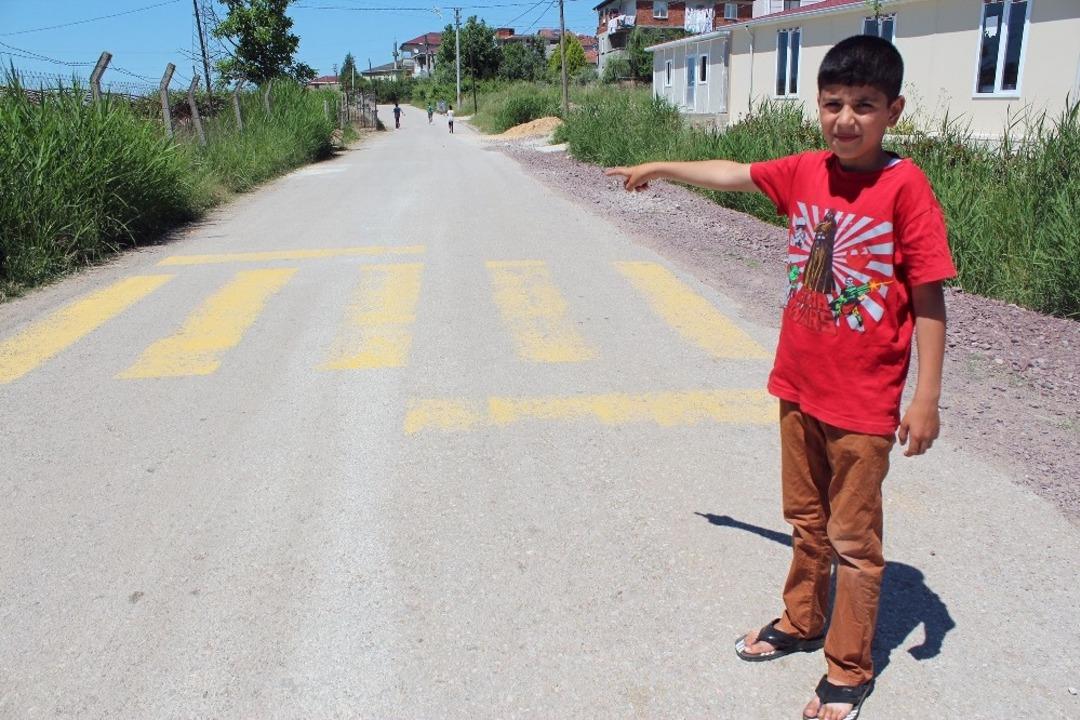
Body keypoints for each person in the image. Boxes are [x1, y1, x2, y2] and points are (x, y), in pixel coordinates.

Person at [606, 35, 954, 720]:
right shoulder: (804, 170)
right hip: (798, 385)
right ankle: (802, 620)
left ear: (893, 111)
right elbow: (733, 173)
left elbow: (929, 295)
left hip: (863, 404)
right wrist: (662, 166)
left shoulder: (904, 186)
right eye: (833, 104)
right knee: (804, 520)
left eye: (864, 105)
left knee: (854, 543)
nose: (845, 119)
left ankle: (849, 670)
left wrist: (927, 397)